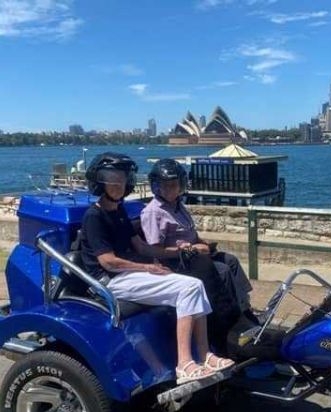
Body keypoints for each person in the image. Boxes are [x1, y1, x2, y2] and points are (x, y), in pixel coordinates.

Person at [81, 152, 234, 384]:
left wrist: (179, 251)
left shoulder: (118, 211)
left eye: (122, 179)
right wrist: (147, 269)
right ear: (99, 181)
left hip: (129, 273)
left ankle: (205, 356)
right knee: (189, 288)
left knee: (196, 284)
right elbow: (108, 261)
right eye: (112, 179)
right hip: (111, 280)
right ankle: (184, 363)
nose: (118, 185)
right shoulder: (94, 216)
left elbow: (142, 247)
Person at [141, 159, 253, 313]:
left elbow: (188, 232)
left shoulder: (178, 205)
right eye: (166, 186)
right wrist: (190, 249)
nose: (172, 190)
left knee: (231, 260)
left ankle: (245, 307)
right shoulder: (154, 212)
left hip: (196, 254)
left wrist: (202, 243)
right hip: (177, 261)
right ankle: (232, 315)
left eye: (175, 185)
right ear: (156, 187)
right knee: (223, 270)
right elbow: (155, 251)